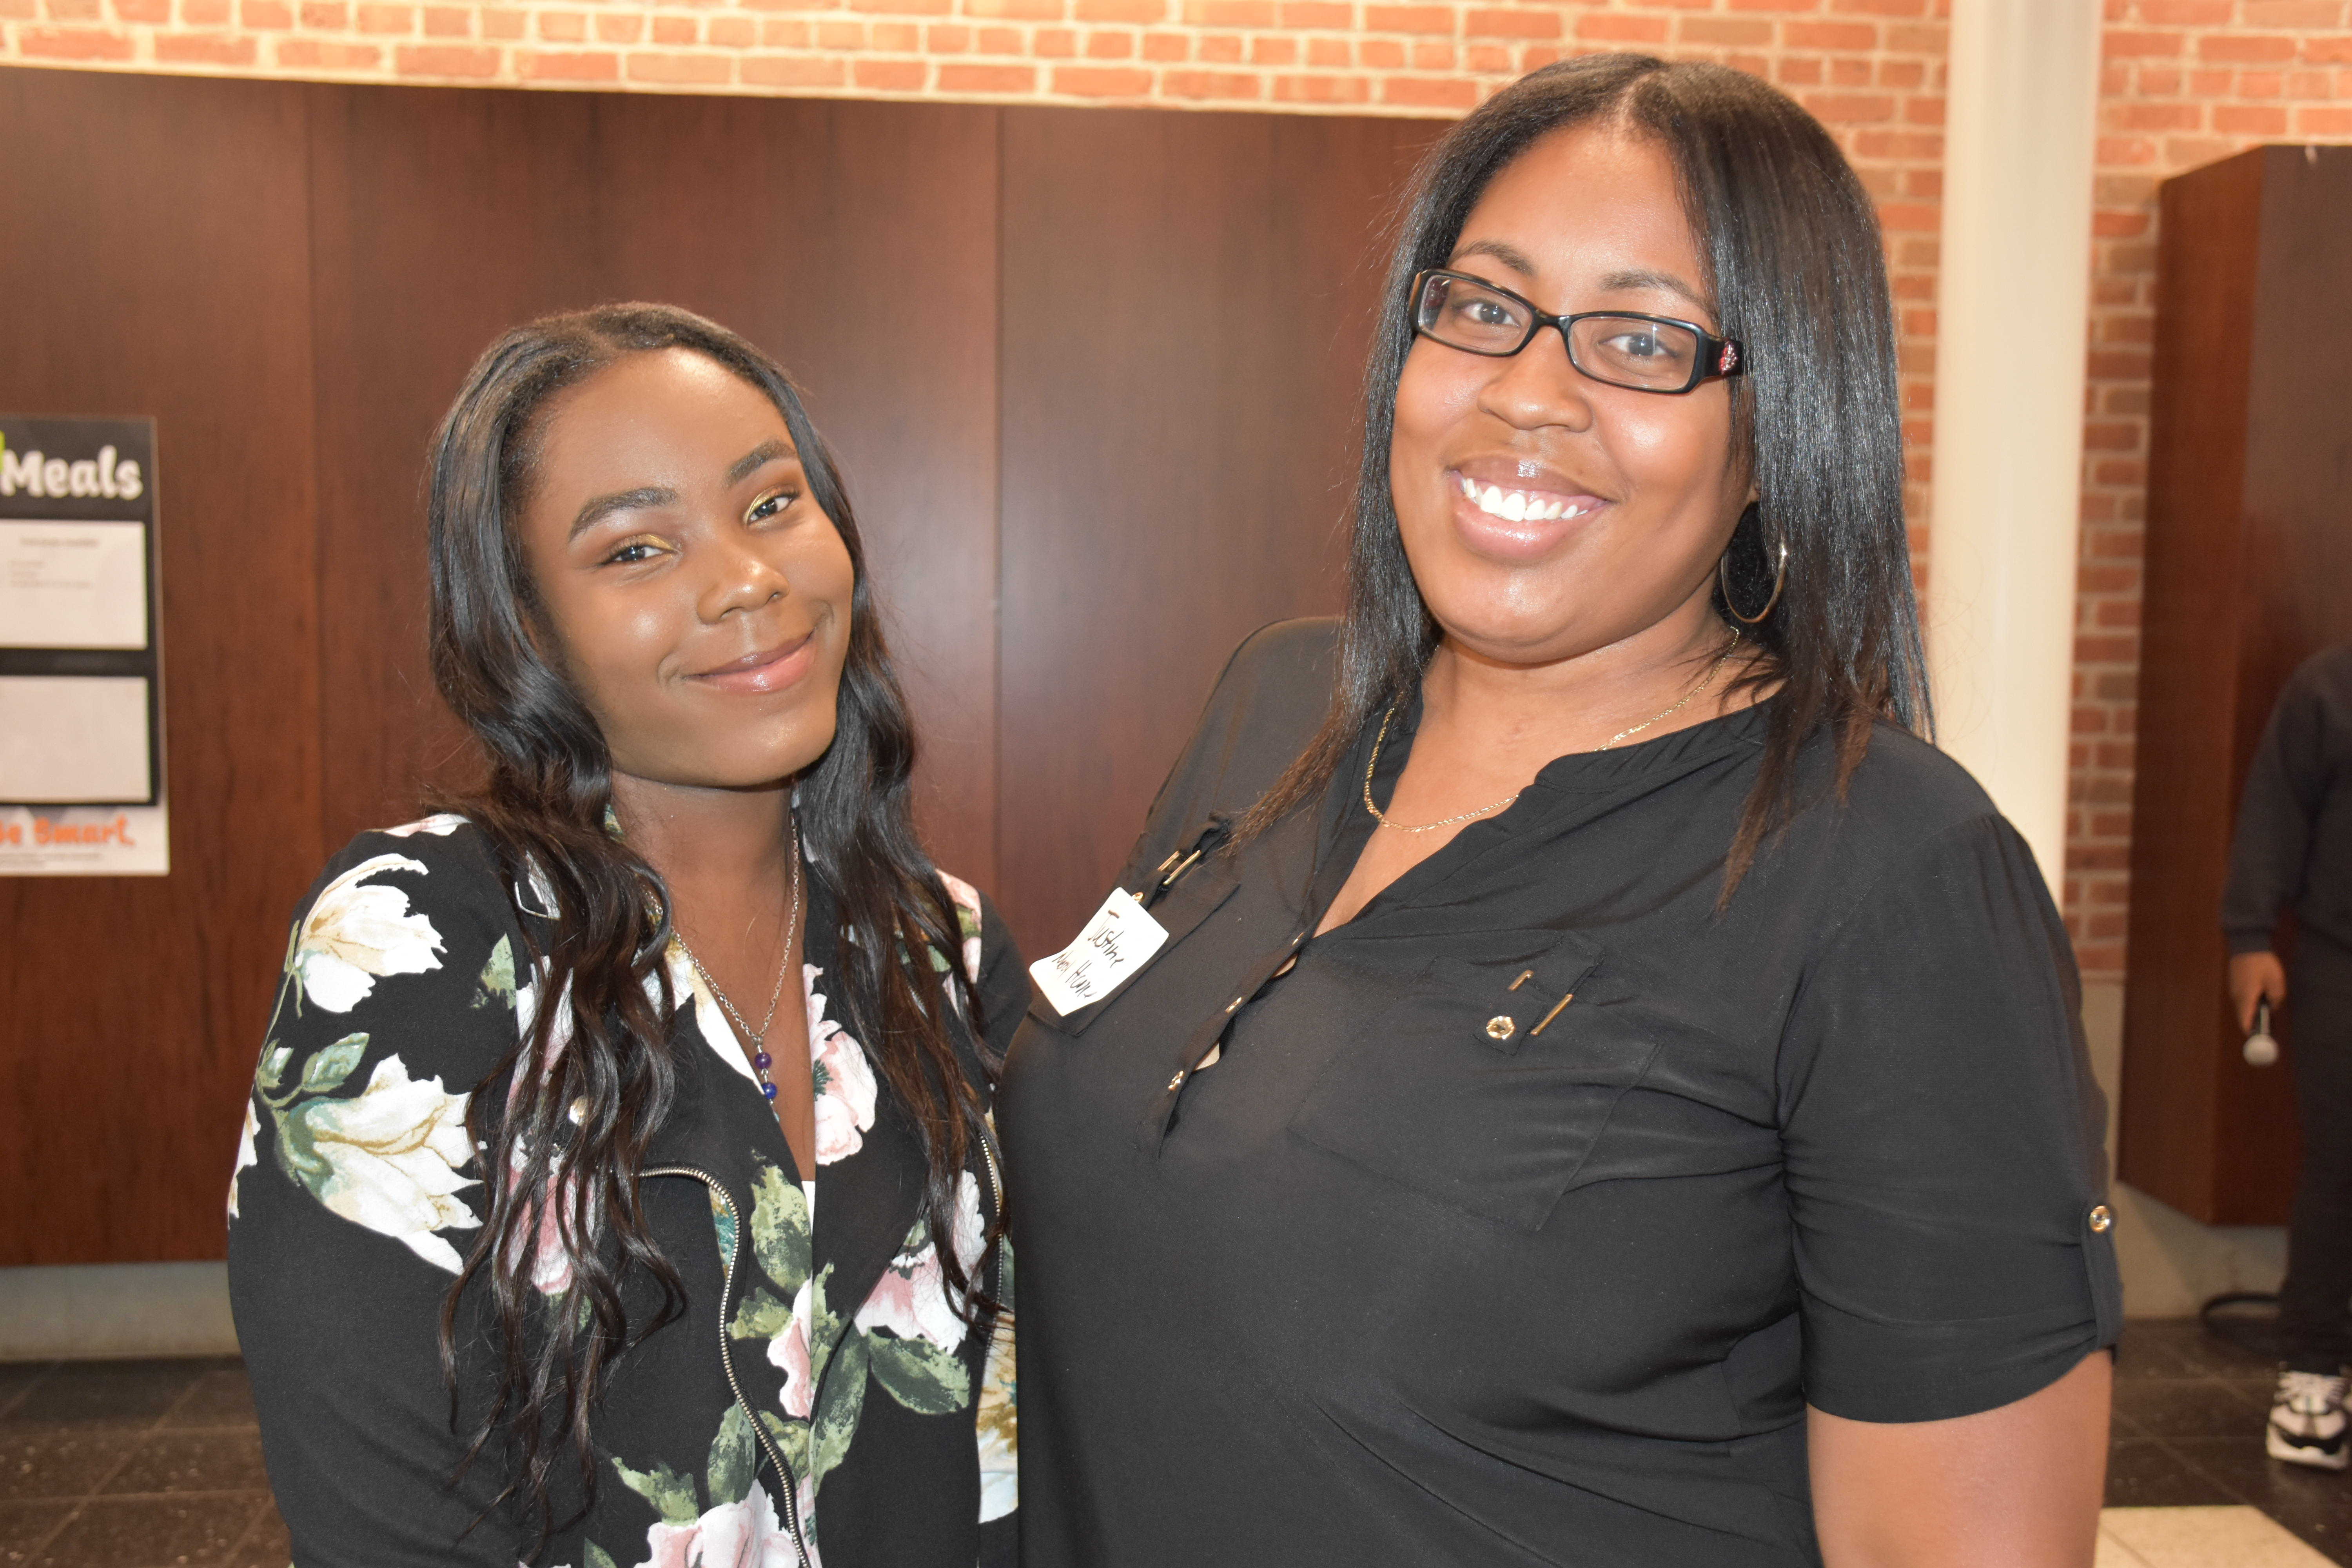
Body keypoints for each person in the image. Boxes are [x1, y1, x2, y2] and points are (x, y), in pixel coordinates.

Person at [999, 54, 2118, 1568]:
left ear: (1775, 428)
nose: (1531, 391)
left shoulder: (1889, 873)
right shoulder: (1280, 706)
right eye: (1483, 307)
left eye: (1644, 341)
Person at [226, 304, 1027, 1567]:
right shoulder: (423, 942)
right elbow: (389, 1513)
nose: (747, 580)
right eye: (637, 550)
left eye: (771, 506)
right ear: (526, 627)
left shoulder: (945, 950)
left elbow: (1008, 1433)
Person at [2224, 644, 2352, 1469]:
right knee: (2341, 1168)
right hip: (2340, 960)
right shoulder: (2330, 687)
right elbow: (2274, 812)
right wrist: (2249, 935)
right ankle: (2312, 1372)